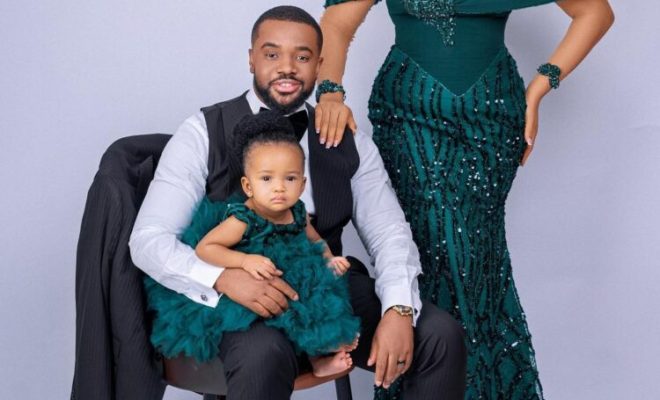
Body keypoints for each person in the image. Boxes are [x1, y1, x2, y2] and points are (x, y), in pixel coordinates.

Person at [129, 5, 467, 400]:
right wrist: (221, 278)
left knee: (440, 336)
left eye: (302, 57)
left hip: (322, 286)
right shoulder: (202, 131)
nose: (287, 68)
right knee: (263, 355)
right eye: (272, 54)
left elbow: (389, 232)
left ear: (319, 65)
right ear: (251, 59)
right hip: (238, 297)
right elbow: (149, 240)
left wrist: (398, 309)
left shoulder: (349, 140)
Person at [316, 0, 614, 398]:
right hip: (409, 118)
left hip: (491, 117)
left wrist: (541, 85)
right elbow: (337, 23)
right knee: (433, 254)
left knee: (479, 260)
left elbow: (596, 12)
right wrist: (330, 94)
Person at [144, 110, 361, 379]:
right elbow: (206, 248)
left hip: (292, 270)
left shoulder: (298, 212)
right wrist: (245, 261)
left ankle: (318, 359)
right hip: (256, 273)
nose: (279, 188)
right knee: (289, 305)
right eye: (267, 179)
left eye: (290, 178)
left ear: (302, 185)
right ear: (248, 186)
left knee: (317, 292)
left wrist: (329, 259)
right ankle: (316, 353)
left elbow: (316, 240)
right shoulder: (243, 218)